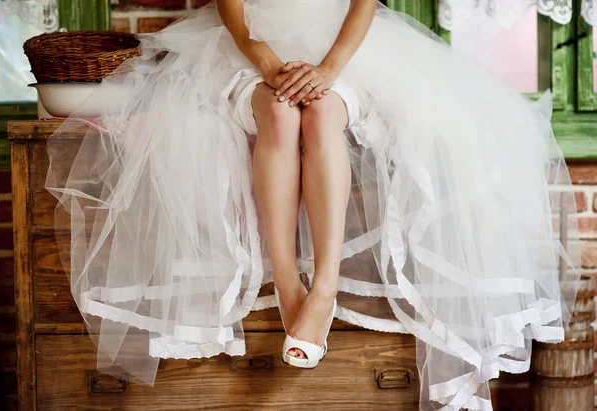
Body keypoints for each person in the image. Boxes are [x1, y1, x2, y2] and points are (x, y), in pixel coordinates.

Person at [44, 1, 581, 409]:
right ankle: (287, 282)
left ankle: (324, 284)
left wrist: (328, 69)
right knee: (279, 113)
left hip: (348, 48)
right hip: (244, 46)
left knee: (322, 112)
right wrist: (267, 61)